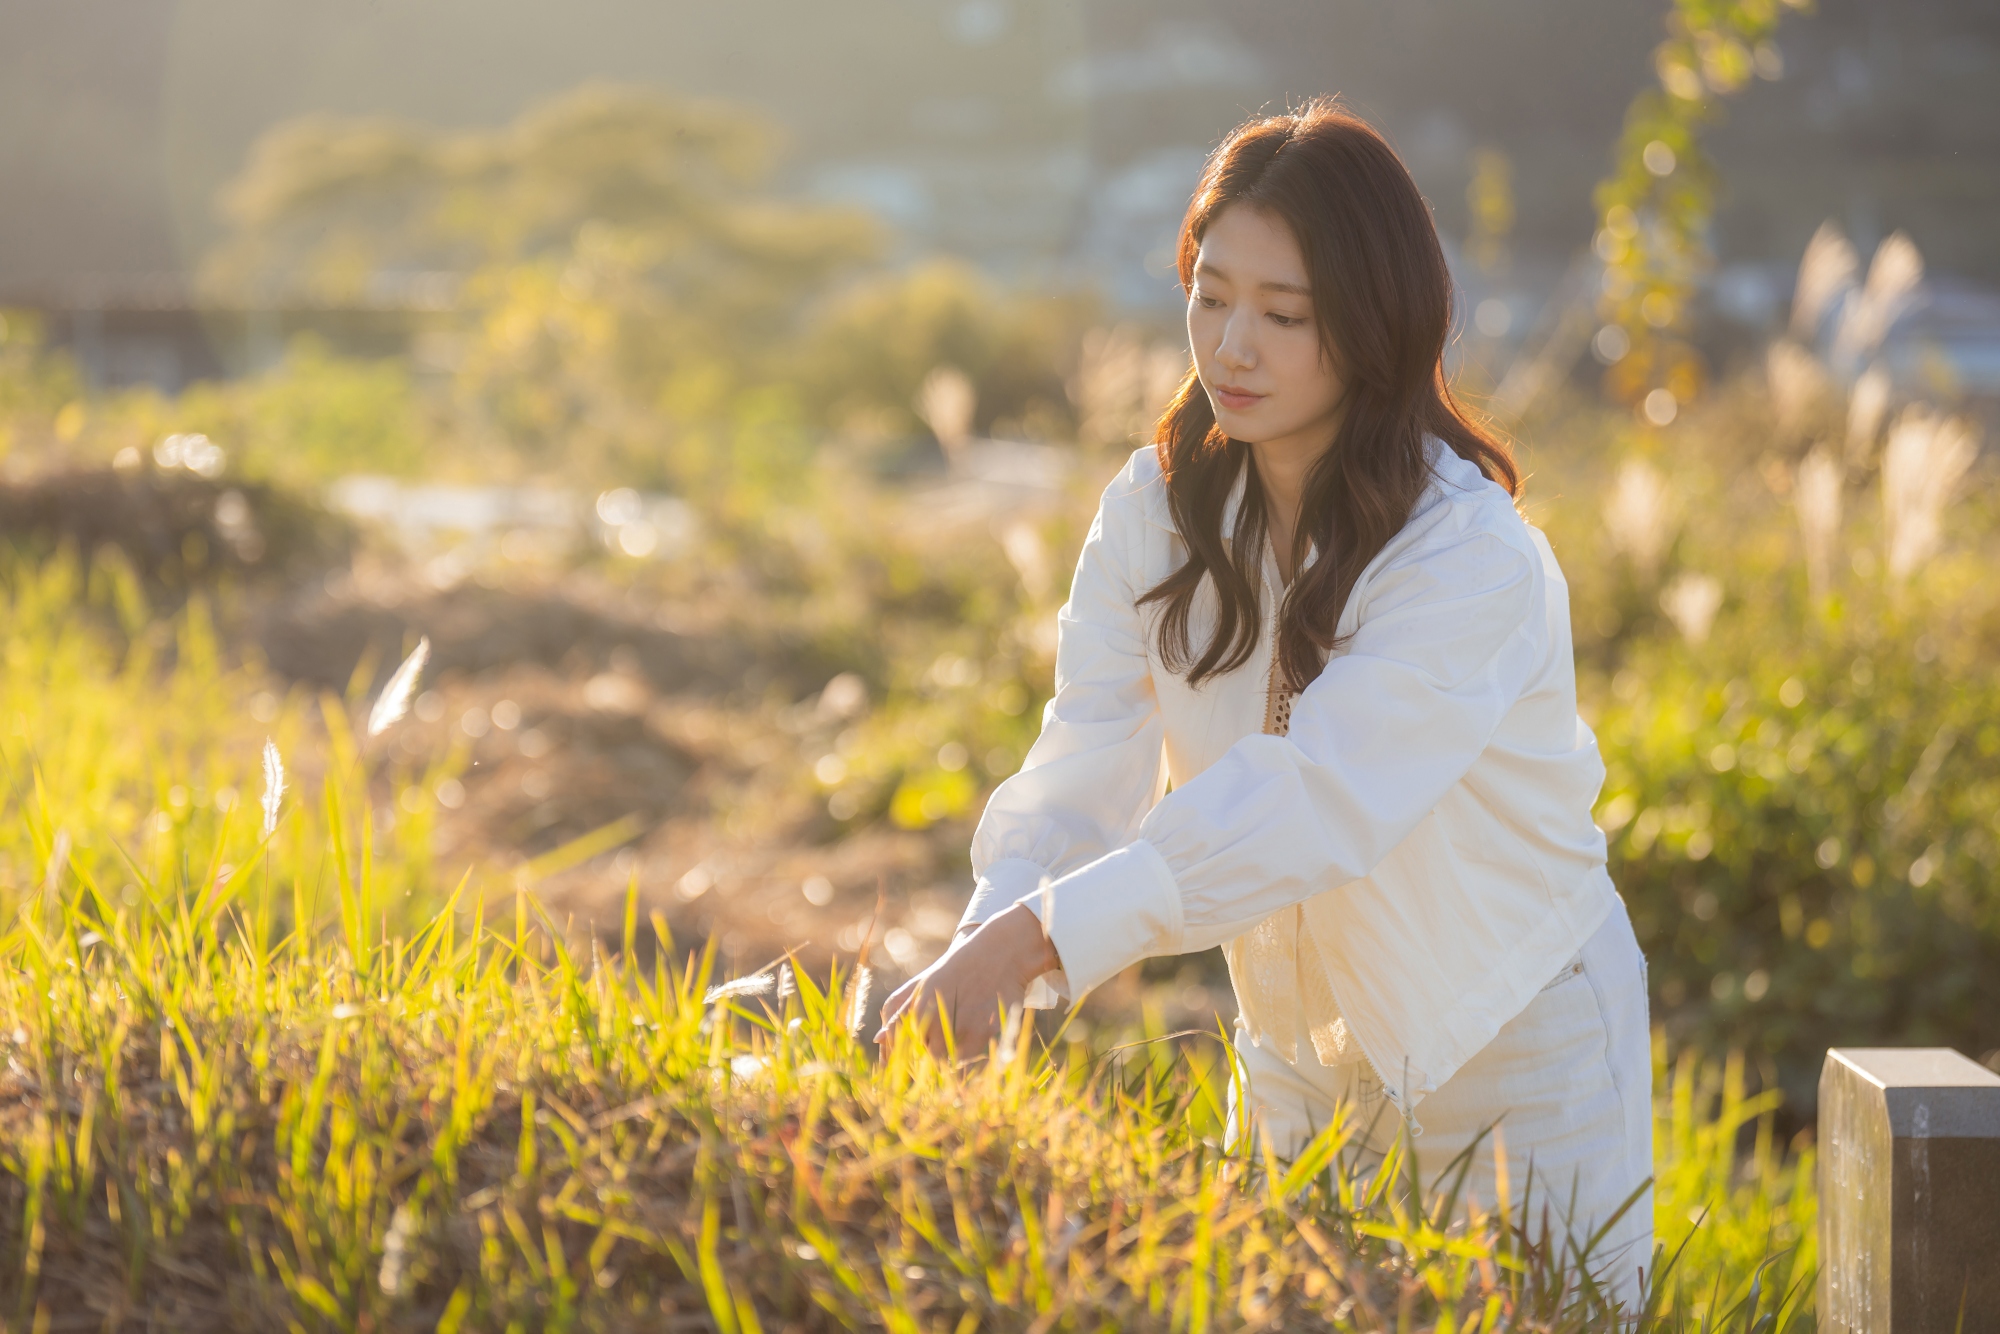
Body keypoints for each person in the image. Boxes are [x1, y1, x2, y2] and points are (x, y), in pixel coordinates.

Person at [874, 99, 1653, 1306]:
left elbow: (1313, 796)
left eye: (1282, 316)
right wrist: (988, 950)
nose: (1230, 345)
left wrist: (1043, 941)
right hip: (1294, 1054)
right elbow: (1084, 757)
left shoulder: (1467, 555)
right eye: (1209, 294)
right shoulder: (1152, 509)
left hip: (1515, 1048)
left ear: (1370, 328)